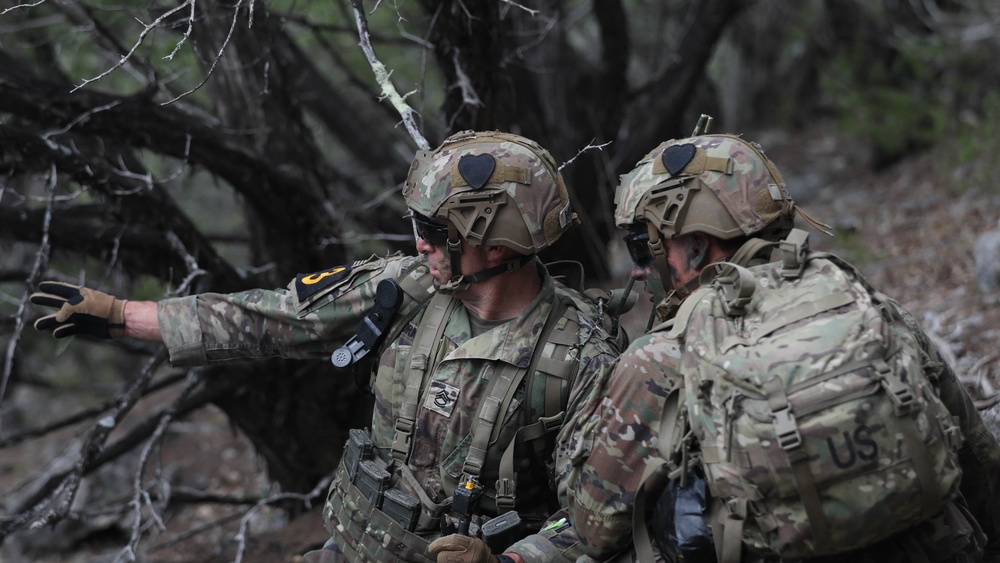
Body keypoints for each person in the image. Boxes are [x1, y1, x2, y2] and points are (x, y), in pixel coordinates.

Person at [30, 130, 624, 563]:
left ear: (495, 247)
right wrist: (122, 316)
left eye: (435, 233)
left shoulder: (582, 357)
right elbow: (278, 318)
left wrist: (511, 561)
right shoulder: (407, 288)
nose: (419, 245)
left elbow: (598, 516)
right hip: (353, 547)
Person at [556, 132, 1000, 562]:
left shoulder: (659, 359)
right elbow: (977, 456)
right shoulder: (867, 306)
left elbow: (594, 526)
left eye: (641, 247)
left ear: (696, 247)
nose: (637, 271)